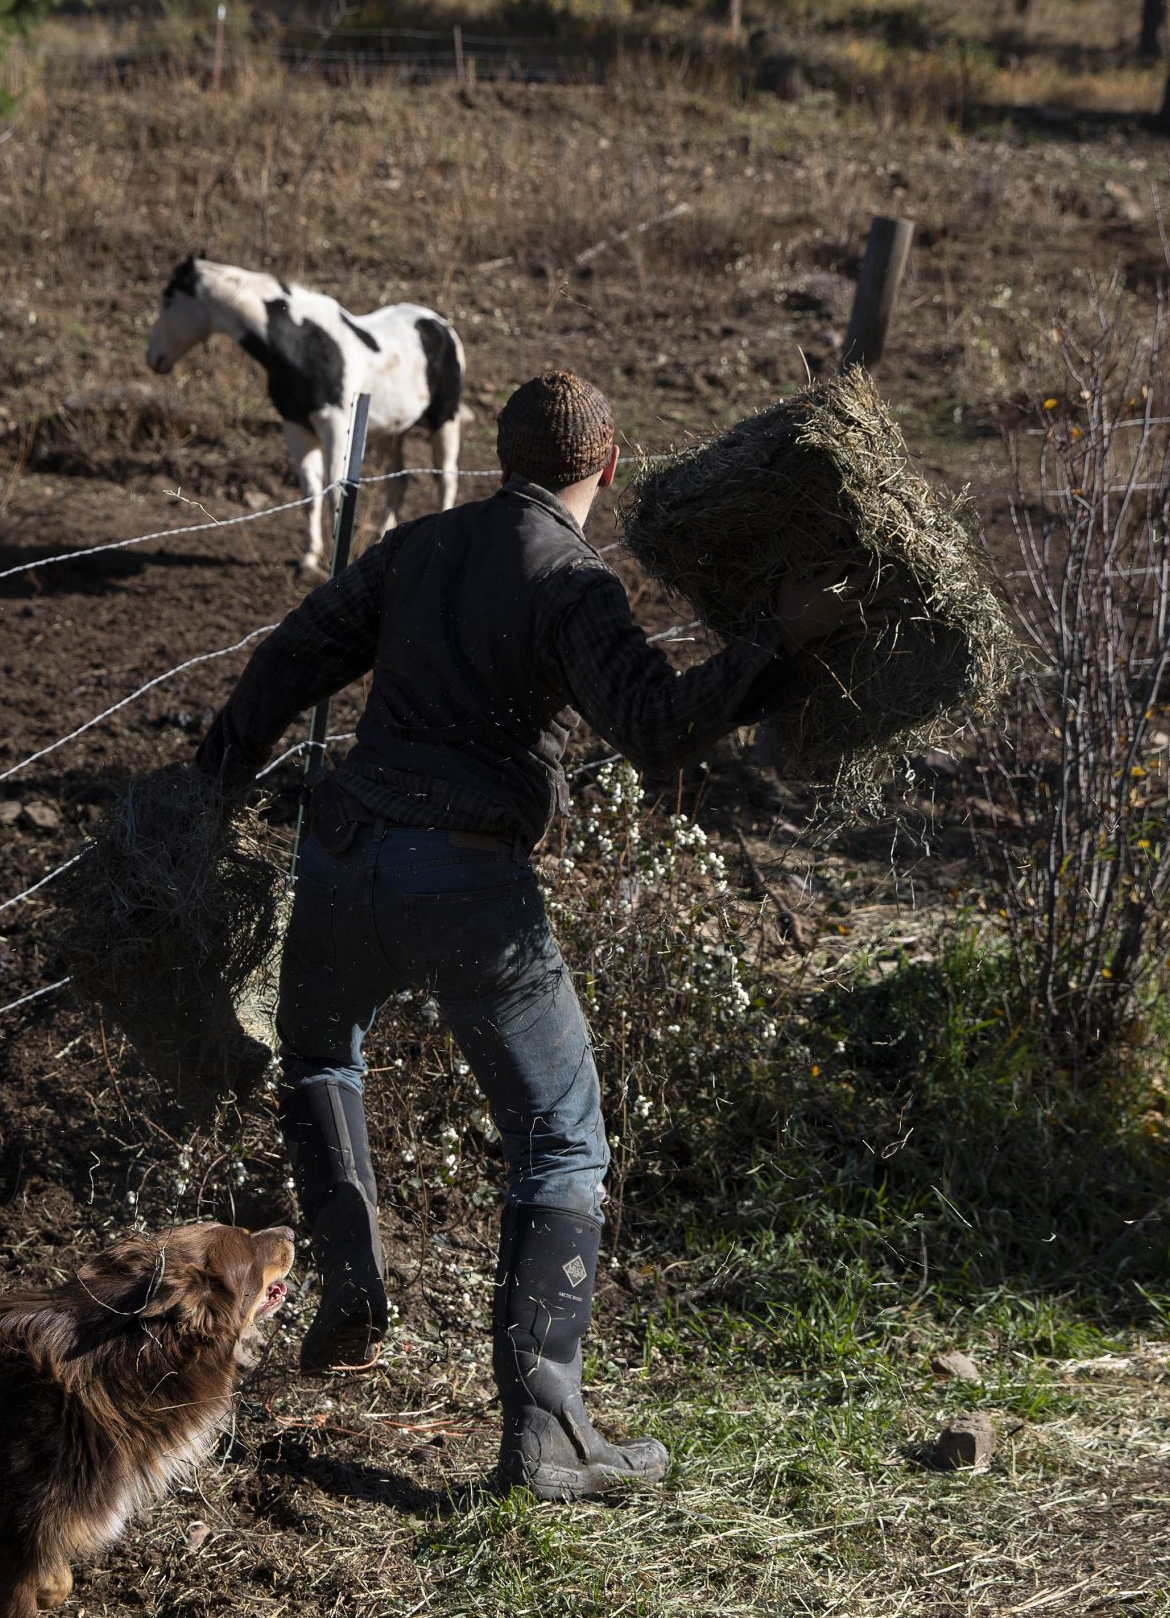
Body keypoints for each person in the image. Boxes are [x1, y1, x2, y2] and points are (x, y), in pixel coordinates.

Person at [195, 371, 874, 1501]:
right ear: (607, 470)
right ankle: (545, 1433)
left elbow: (290, 657)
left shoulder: (420, 546)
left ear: (503, 458)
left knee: (318, 1052)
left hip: (344, 852)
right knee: (561, 1141)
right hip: (463, 879)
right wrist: (781, 641)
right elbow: (656, 724)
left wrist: (205, 790)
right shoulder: (574, 582)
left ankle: (351, 1279)